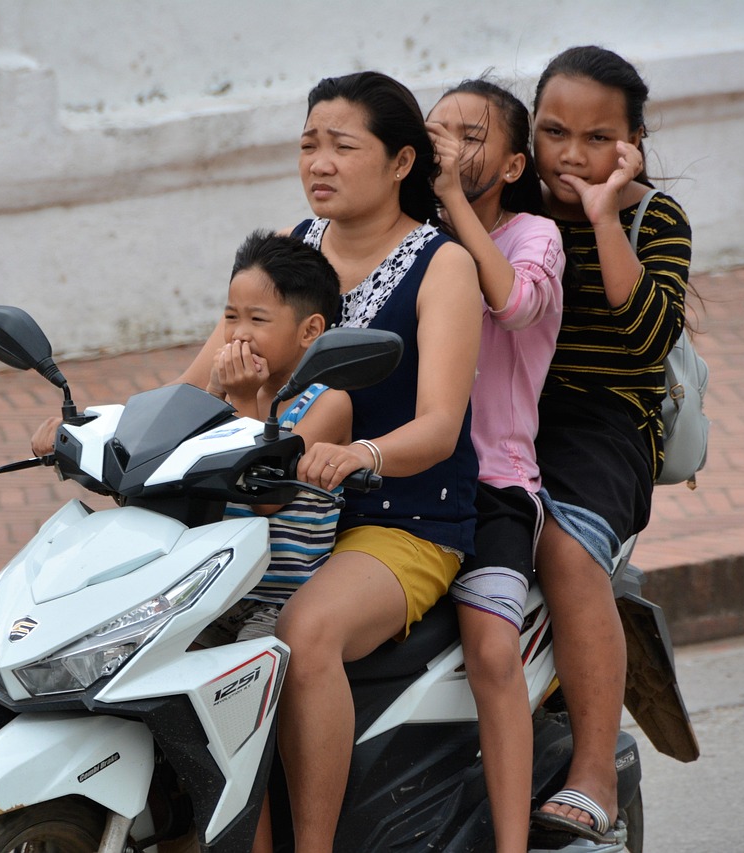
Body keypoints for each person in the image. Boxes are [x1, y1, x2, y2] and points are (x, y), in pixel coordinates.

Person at [177, 70, 482, 853]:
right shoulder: (291, 247)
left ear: (401, 162)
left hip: (402, 516)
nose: (319, 162)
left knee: (303, 630)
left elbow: (441, 425)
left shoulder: (442, 264)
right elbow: (195, 384)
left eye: (343, 146)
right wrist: (98, 428)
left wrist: (359, 455)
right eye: (309, 143)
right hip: (279, 505)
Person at [525, 46, 693, 843]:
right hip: (509, 414)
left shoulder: (653, 219)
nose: (571, 154)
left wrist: (600, 218)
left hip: (607, 423)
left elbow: (648, 339)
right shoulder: (510, 208)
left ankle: (594, 772)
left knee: (564, 550)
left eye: (597, 138)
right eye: (554, 131)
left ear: (633, 143)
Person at [425, 78, 564, 853]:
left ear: (513, 166)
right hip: (406, 481)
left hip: (496, 485)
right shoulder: (409, 236)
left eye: (470, 135)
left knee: (489, 648)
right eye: (435, 131)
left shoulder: (533, 235)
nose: (448, 144)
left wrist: (452, 203)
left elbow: (513, 304)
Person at [196, 228, 352, 644]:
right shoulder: (229, 395)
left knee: (242, 671)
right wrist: (213, 393)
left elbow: (265, 496)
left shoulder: (327, 403)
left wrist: (243, 398)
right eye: (231, 317)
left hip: (278, 602)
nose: (239, 334)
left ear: (309, 330)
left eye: (258, 319)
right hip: (214, 590)